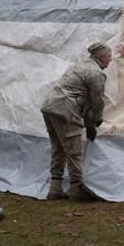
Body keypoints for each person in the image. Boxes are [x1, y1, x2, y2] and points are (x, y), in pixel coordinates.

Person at [41, 42, 112, 200]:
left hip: (50, 106)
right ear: (103, 57)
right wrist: (97, 119)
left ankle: (55, 189)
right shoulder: (96, 73)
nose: (111, 60)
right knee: (74, 151)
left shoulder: (79, 66)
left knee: (58, 148)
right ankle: (76, 189)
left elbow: (83, 101)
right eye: (109, 56)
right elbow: (96, 101)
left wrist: (89, 125)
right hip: (65, 109)